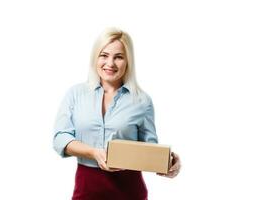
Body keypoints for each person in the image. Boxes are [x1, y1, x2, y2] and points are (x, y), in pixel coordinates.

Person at [53, 27, 181, 200]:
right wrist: (93, 153)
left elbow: (150, 148)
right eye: (104, 55)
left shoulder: (142, 101)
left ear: (128, 61)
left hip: (129, 191)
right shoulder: (76, 94)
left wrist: (169, 163)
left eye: (118, 57)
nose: (110, 63)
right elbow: (60, 138)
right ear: (95, 57)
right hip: (86, 190)